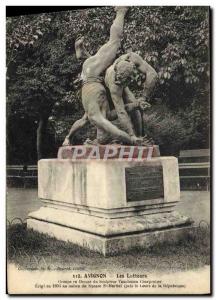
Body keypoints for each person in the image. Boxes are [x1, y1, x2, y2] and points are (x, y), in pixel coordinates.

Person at [63, 6, 145, 146]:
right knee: (114, 43)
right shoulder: (98, 116)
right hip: (90, 77)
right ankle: (120, 11)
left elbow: (113, 126)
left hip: (91, 77)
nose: (101, 134)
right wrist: (131, 136)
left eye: (100, 136)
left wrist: (131, 137)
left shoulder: (96, 115)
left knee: (114, 43)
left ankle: (121, 11)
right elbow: (117, 119)